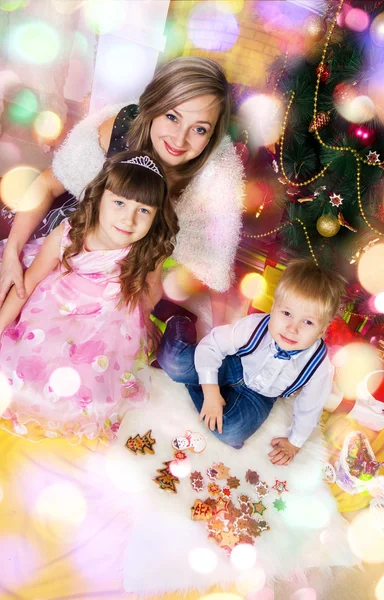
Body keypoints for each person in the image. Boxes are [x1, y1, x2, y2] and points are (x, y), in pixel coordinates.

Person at [0, 56, 244, 340]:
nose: (180, 140)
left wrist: (219, 339)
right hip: (71, 236)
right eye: (172, 116)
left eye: (199, 128)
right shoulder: (120, 129)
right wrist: (12, 254)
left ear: (213, 136)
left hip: (119, 276)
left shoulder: (212, 180)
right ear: (153, 106)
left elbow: (214, 264)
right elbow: (47, 184)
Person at [0, 151, 178, 444]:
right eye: (119, 203)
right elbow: (30, 281)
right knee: (34, 356)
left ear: (157, 215)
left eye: (143, 210)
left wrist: (142, 321)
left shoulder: (150, 248)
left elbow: (152, 290)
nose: (129, 219)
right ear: (99, 199)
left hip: (108, 314)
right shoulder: (70, 234)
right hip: (58, 299)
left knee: (90, 375)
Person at [157, 258, 346, 465]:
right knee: (173, 360)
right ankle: (179, 321)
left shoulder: (320, 366)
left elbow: (311, 406)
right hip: (234, 365)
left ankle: (199, 384)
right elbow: (213, 345)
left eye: (308, 322)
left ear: (323, 329)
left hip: (260, 397)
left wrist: (295, 442)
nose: (293, 328)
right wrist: (211, 391)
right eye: (286, 313)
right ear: (274, 308)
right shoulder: (254, 327)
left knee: (231, 433)